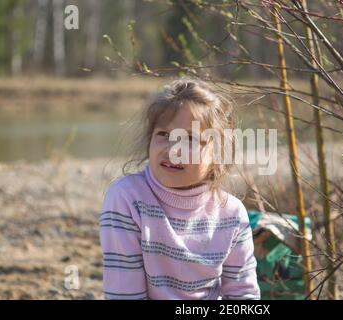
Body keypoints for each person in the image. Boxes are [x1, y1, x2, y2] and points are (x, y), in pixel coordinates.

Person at [99, 78, 260, 300]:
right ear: (149, 140)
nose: (173, 149)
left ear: (217, 153)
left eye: (190, 139)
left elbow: (243, 295)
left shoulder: (231, 213)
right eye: (164, 135)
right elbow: (125, 295)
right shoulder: (128, 198)